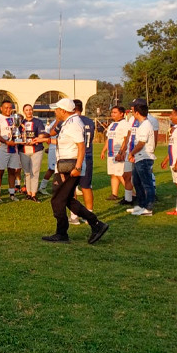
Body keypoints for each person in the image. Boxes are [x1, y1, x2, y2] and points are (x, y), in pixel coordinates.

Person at [42, 98, 108, 244]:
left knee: (57, 200)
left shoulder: (73, 124)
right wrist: (44, 141)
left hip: (70, 166)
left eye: (57, 109)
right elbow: (66, 142)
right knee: (66, 199)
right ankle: (95, 224)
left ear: (64, 111)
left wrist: (78, 167)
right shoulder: (68, 123)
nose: (55, 112)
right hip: (66, 164)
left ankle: (63, 233)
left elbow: (81, 146)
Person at [126, 102, 156, 216]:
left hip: (144, 157)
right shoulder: (141, 124)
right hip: (139, 157)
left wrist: (131, 153)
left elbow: (141, 143)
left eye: (133, 111)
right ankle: (141, 205)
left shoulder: (145, 125)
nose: (132, 113)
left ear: (137, 112)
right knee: (137, 182)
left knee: (146, 183)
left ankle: (148, 208)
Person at [70, 100, 96, 223]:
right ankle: (89, 215)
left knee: (72, 187)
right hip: (88, 154)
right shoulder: (90, 121)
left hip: (76, 155)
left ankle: (74, 216)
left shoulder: (73, 121)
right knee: (86, 186)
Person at [100, 106, 132, 203]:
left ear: (121, 113)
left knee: (119, 174)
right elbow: (109, 139)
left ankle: (132, 194)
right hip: (111, 152)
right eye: (112, 112)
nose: (112, 114)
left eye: (115, 112)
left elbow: (126, 139)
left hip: (118, 153)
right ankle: (114, 194)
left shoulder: (125, 124)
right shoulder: (112, 125)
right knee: (113, 174)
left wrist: (121, 152)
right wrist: (103, 150)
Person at [0, 100, 21, 202]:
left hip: (13, 148)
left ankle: (12, 194)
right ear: (1, 108)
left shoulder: (14, 118)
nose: (8, 110)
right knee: (0, 171)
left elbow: (17, 132)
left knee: (12, 171)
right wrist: (6, 142)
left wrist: (19, 140)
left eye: (10, 107)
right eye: (6, 107)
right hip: (2, 149)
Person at [19, 104, 48, 202]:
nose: (29, 112)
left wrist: (36, 140)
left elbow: (41, 135)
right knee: (27, 173)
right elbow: (17, 136)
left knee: (35, 172)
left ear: (32, 111)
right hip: (24, 150)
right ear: (24, 111)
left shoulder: (38, 122)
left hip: (36, 150)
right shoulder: (20, 123)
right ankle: (28, 193)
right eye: (26, 110)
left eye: (30, 110)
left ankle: (34, 194)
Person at [161, 106, 177, 216]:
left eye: (172, 114)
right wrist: (166, 159)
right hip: (173, 161)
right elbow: (173, 146)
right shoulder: (175, 129)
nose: (170, 116)